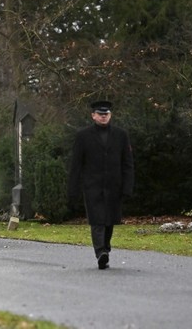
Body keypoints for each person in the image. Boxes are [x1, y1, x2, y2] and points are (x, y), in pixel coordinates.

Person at [68, 100, 134, 270]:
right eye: (100, 114)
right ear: (93, 116)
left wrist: (127, 186)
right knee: (97, 220)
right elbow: (76, 164)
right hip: (92, 186)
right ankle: (101, 252)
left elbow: (127, 162)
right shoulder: (83, 136)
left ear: (110, 116)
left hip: (114, 186)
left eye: (106, 114)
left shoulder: (121, 135)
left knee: (110, 220)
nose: (103, 117)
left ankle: (105, 246)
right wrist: (73, 188)